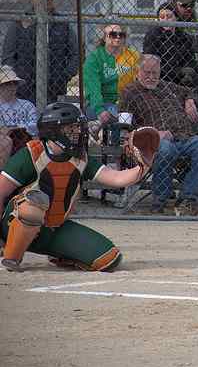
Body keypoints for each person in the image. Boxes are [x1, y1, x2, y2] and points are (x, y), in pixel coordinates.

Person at [0, 102, 149, 272]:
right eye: (71, 128)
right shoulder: (32, 154)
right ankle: (12, 257)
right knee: (33, 204)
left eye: (78, 127)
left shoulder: (79, 158)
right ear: (53, 131)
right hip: (13, 225)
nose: (78, 132)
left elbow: (116, 178)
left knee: (109, 258)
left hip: (53, 227)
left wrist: (144, 165)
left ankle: (60, 254)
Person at [119, 55, 198, 215]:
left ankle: (187, 198)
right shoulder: (129, 92)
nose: (151, 77)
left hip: (184, 137)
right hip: (153, 141)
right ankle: (161, 200)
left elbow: (189, 91)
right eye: (147, 72)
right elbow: (125, 127)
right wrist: (153, 134)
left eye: (155, 73)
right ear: (138, 71)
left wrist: (189, 100)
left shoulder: (168, 86)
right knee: (165, 149)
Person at [1, 0, 79, 104]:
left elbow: (76, 54)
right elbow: (8, 56)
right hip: (25, 90)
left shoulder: (63, 23)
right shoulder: (20, 22)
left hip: (54, 88)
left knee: (52, 116)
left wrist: (64, 76)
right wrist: (16, 79)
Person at [82, 24, 140, 128]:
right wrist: (100, 110)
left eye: (121, 35)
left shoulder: (133, 55)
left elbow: (146, 70)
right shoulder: (94, 58)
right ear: (104, 38)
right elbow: (93, 88)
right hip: (103, 103)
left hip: (127, 102)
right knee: (116, 114)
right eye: (113, 35)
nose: (117, 37)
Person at [142, 2, 195, 91]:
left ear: (176, 17)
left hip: (180, 79)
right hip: (159, 77)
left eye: (169, 16)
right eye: (162, 17)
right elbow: (151, 64)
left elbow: (189, 60)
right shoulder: (152, 35)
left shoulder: (184, 37)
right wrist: (180, 71)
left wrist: (187, 72)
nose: (165, 19)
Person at [0, 65, 38, 168]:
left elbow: (35, 125)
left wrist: (14, 127)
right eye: (8, 83)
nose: (12, 86)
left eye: (15, 83)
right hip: (4, 139)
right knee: (5, 141)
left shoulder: (27, 105)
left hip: (24, 137)